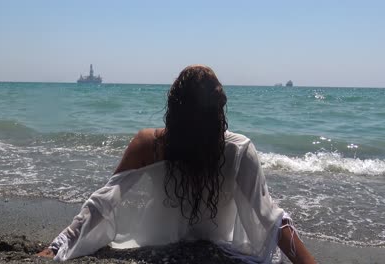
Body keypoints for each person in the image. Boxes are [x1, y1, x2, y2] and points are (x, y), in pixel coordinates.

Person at [37, 65, 316, 263]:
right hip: (187, 245)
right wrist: (60, 244)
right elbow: (105, 200)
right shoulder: (157, 144)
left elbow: (270, 217)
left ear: (174, 109)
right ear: (219, 112)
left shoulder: (233, 149)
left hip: (160, 243)